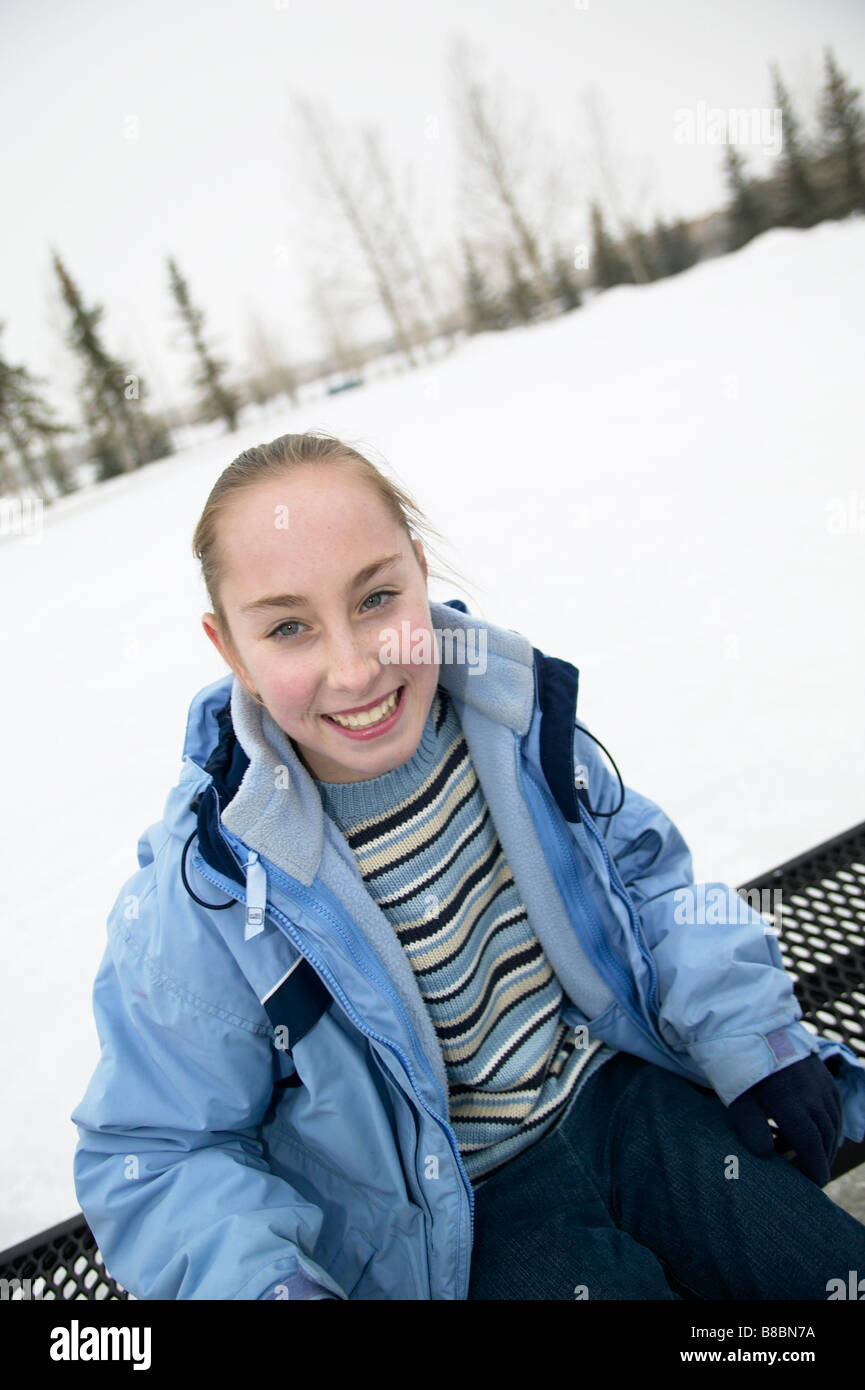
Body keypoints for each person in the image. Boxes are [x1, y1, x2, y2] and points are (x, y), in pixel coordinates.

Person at [71, 430, 865, 1301]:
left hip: (627, 1103)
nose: (354, 666)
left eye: (376, 598)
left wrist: (749, 1031)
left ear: (418, 570)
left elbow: (647, 883)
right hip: (463, 1221)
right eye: (289, 627)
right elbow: (160, 1148)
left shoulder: (509, 727)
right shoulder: (215, 890)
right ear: (232, 654)